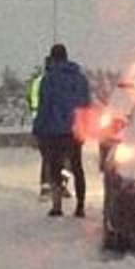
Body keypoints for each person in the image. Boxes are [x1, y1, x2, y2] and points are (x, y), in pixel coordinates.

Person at [32, 43, 92, 218]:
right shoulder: (80, 78)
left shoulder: (49, 79)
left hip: (54, 131)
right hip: (76, 130)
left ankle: (57, 206)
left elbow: (44, 106)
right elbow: (86, 105)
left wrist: (37, 129)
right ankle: (80, 206)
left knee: (55, 167)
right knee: (77, 166)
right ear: (66, 57)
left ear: (52, 58)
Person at [27, 58, 54, 200]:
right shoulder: (53, 81)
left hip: (40, 123)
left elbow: (30, 101)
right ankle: (58, 186)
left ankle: (46, 187)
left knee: (47, 157)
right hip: (51, 124)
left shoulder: (37, 82)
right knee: (58, 157)